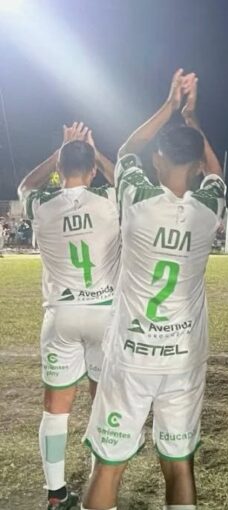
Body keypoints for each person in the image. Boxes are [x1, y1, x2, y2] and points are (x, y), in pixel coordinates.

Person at [81, 69, 225, 510]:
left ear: (158, 160)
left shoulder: (138, 200)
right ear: (197, 166)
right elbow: (216, 171)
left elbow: (127, 150)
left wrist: (169, 105)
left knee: (109, 466)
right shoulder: (209, 208)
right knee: (180, 465)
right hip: (182, 357)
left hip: (131, 354)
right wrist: (192, 117)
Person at [18, 122, 118, 510]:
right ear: (92, 171)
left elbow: (26, 185)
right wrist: (95, 152)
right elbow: (124, 179)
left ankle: (56, 495)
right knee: (102, 406)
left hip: (61, 315)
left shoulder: (43, 204)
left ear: (60, 169)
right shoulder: (108, 199)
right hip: (104, 313)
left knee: (55, 410)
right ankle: (98, 491)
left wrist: (60, 152)